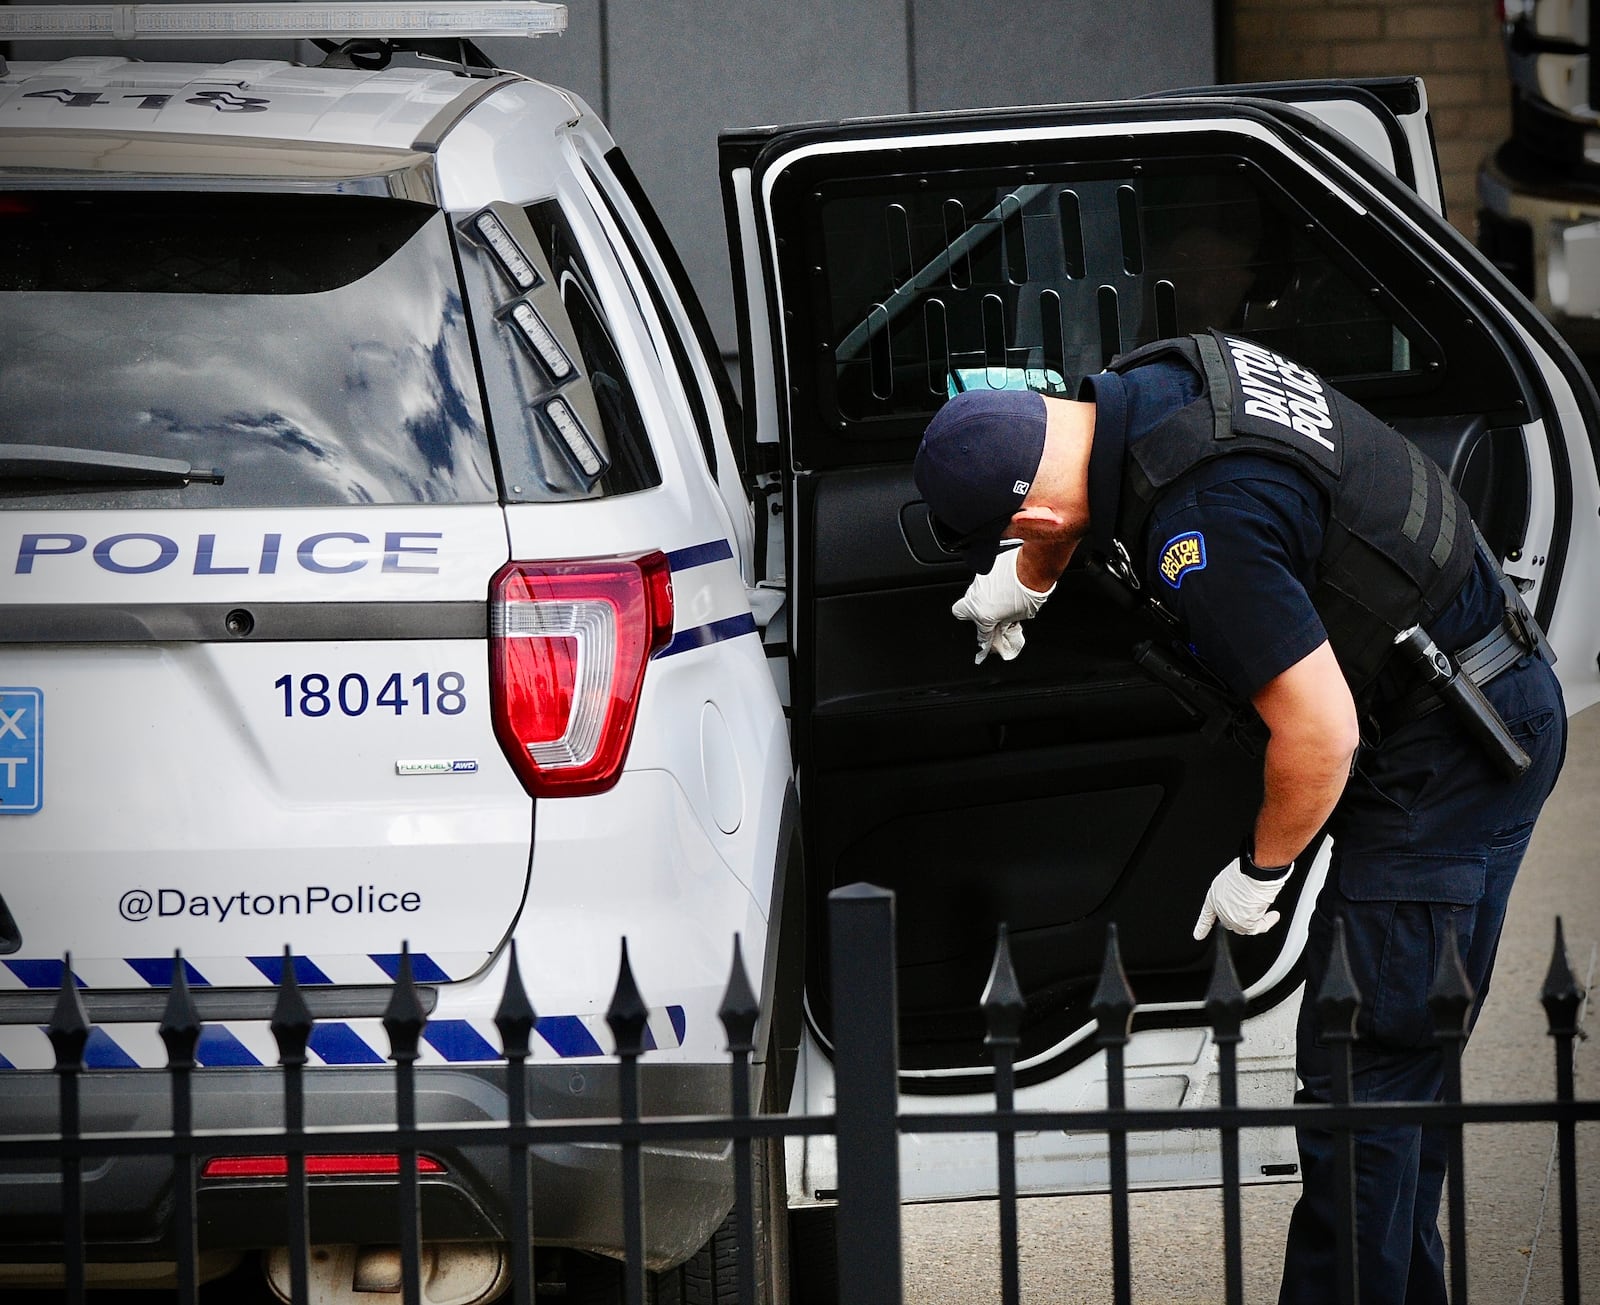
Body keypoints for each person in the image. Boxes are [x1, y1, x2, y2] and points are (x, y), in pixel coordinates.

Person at [912, 331, 1567, 1305]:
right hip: (1472, 688)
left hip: (1454, 754)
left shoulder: (1204, 525)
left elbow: (1320, 733)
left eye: (1009, 538)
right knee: (1395, 1083)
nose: (1015, 548)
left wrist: (1259, 873)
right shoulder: (1152, 384)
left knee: (1361, 1073)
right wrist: (1029, 577)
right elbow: (1058, 492)